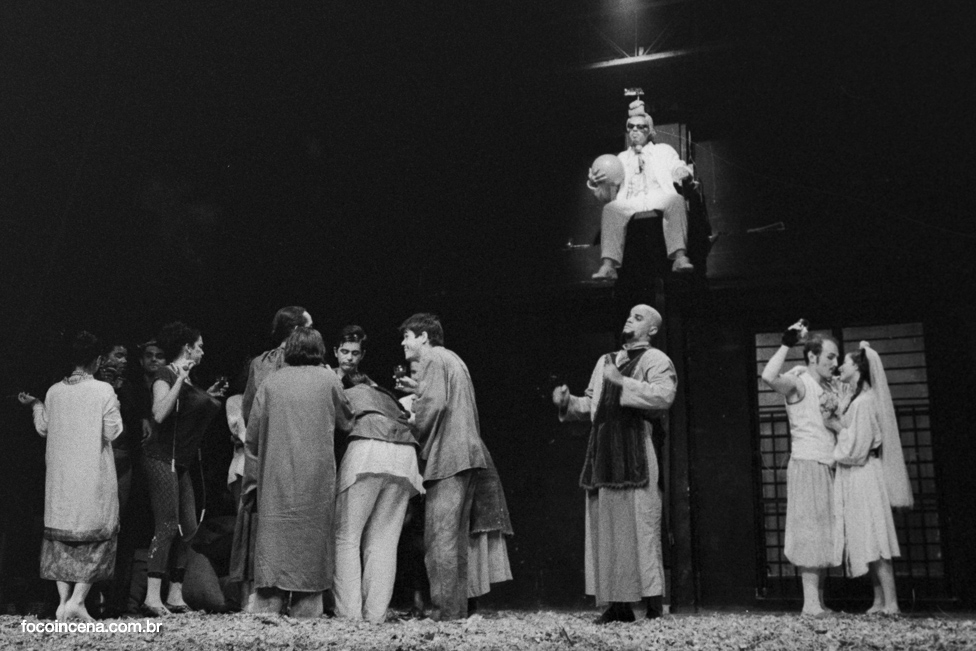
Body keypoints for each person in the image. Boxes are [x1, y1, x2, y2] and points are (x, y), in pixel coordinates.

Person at [552, 305, 675, 623]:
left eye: (639, 317)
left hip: (635, 451)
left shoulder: (655, 359)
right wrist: (568, 402)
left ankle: (651, 605)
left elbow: (664, 396)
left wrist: (622, 382)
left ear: (652, 330)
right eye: (630, 315)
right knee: (608, 529)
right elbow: (591, 404)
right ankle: (618, 606)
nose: (630, 318)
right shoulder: (605, 361)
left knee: (640, 526)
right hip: (604, 453)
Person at [396, 313, 513, 620]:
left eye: (407, 336)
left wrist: (411, 425)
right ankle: (455, 612)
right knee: (456, 541)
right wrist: (419, 389)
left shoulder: (432, 358)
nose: (403, 343)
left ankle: (444, 612)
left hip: (448, 458)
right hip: (467, 457)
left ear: (423, 337)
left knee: (440, 541)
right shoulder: (453, 359)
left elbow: (434, 405)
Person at [243, 327, 354, 618]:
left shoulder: (271, 382)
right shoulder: (329, 380)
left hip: (275, 483)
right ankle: (305, 621)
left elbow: (252, 438)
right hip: (315, 483)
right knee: (310, 561)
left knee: (273, 555)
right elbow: (347, 420)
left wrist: (251, 486)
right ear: (320, 350)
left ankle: (267, 616)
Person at [18, 332, 123, 621]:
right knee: (95, 533)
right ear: (97, 360)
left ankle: (64, 602)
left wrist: (36, 405)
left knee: (62, 537)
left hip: (62, 479)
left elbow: (43, 428)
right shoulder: (102, 390)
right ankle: (77, 601)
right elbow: (113, 431)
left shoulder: (54, 392)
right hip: (92, 476)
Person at [332, 326, 425, 622]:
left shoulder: (337, 385)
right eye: (345, 352)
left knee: (346, 537)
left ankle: (349, 615)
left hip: (369, 449)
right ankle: (375, 615)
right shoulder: (378, 389)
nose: (349, 357)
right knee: (384, 541)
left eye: (354, 353)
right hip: (405, 454)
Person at [141, 321, 226, 617]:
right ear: (187, 348)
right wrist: (180, 380)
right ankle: (152, 597)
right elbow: (159, 412)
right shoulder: (166, 374)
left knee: (188, 529)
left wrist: (206, 393)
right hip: (162, 458)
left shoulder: (189, 380)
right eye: (199, 346)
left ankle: (175, 595)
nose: (202, 351)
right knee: (167, 525)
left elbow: (188, 410)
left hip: (182, 463)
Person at [760, 322, 841, 616]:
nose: (835, 362)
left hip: (827, 464)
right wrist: (787, 343)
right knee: (810, 531)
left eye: (836, 357)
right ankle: (810, 602)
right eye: (830, 356)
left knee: (824, 532)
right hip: (807, 464)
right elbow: (768, 376)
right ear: (813, 357)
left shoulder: (827, 386)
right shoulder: (799, 382)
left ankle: (818, 601)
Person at [833, 343, 913, 615]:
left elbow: (857, 448)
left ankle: (892, 601)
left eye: (845, 362)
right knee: (866, 534)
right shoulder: (857, 399)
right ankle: (879, 600)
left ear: (857, 367)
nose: (840, 367)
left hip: (866, 472)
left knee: (876, 535)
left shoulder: (866, 402)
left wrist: (835, 427)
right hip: (858, 474)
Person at [587, 100, 695, 280]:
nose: (634, 130)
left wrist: (682, 172)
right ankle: (608, 265)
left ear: (649, 130)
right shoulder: (621, 158)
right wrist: (597, 184)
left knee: (676, 200)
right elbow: (607, 196)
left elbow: (677, 166)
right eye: (630, 127)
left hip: (657, 195)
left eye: (640, 126)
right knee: (610, 209)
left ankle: (679, 257)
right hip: (632, 200)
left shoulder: (663, 151)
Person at [242, 306, 313, 424]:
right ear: (297, 330)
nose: (314, 334)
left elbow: (248, 413)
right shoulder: (309, 363)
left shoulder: (259, 362)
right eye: (310, 328)